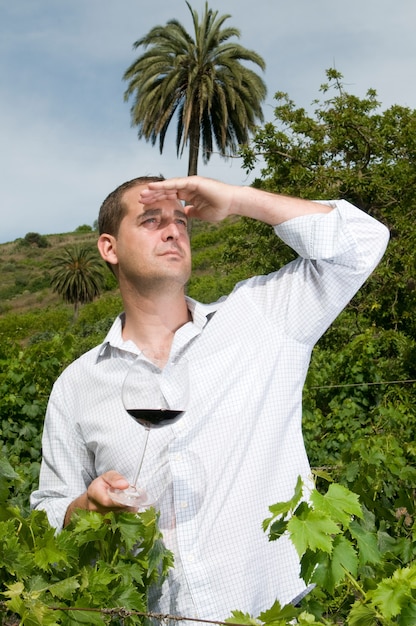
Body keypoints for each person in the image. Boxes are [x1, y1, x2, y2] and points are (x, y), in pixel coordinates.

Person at [31, 175, 389, 621]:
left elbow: (362, 241)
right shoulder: (77, 384)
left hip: (279, 614)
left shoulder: (261, 318)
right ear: (109, 248)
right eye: (150, 220)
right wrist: (84, 507)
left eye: (181, 220)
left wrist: (239, 200)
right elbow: (47, 507)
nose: (173, 230)